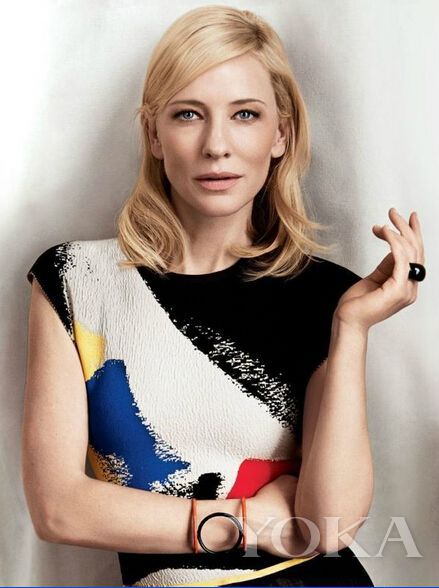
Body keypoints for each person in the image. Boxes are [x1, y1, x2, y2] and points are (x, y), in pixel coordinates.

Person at [22, 5, 425, 587]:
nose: (217, 145)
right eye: (188, 114)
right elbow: (58, 510)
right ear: (154, 134)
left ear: (281, 134)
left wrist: (352, 330)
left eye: (245, 114)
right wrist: (245, 521)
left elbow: (328, 526)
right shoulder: (75, 280)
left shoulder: (327, 296)